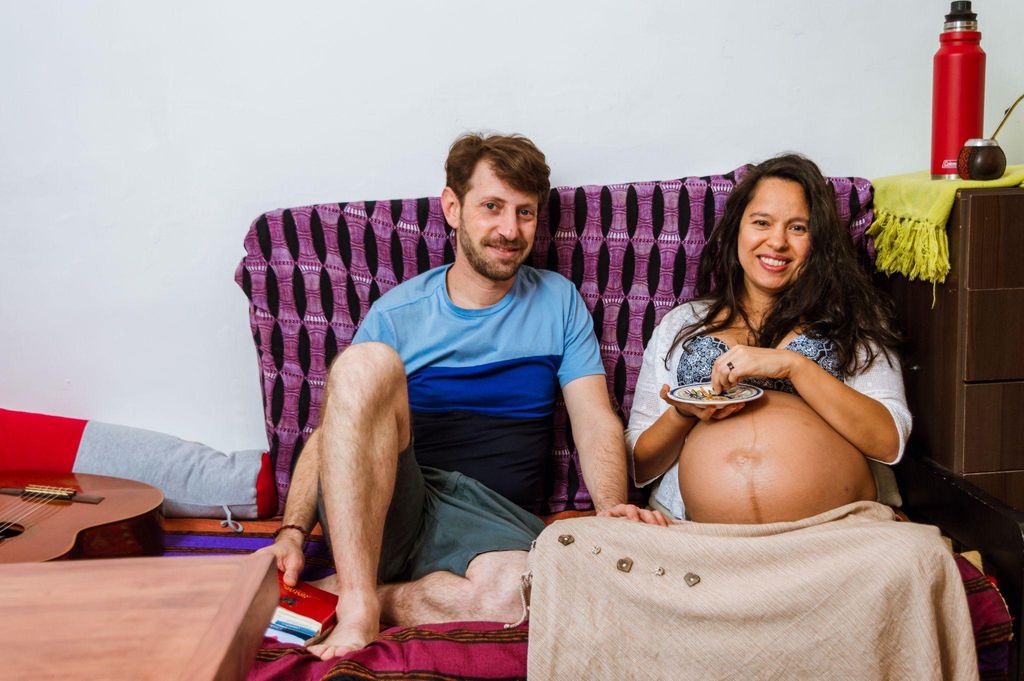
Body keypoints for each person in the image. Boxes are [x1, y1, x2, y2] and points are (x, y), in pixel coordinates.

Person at [258, 132, 666, 661]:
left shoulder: (558, 301)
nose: (509, 230)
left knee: (522, 596)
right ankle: (357, 603)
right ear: (452, 207)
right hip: (399, 503)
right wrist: (293, 530)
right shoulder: (398, 312)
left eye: (525, 213)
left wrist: (614, 509)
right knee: (363, 364)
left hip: (492, 520)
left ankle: (353, 597)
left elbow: (593, 419)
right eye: (491, 207)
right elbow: (337, 431)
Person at [626, 153, 911, 524]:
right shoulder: (681, 324)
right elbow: (640, 465)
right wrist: (683, 412)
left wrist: (795, 367)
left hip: (835, 530)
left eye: (798, 228)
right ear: (736, 231)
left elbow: (889, 442)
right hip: (697, 533)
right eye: (762, 222)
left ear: (820, 241)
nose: (777, 242)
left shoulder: (854, 320)